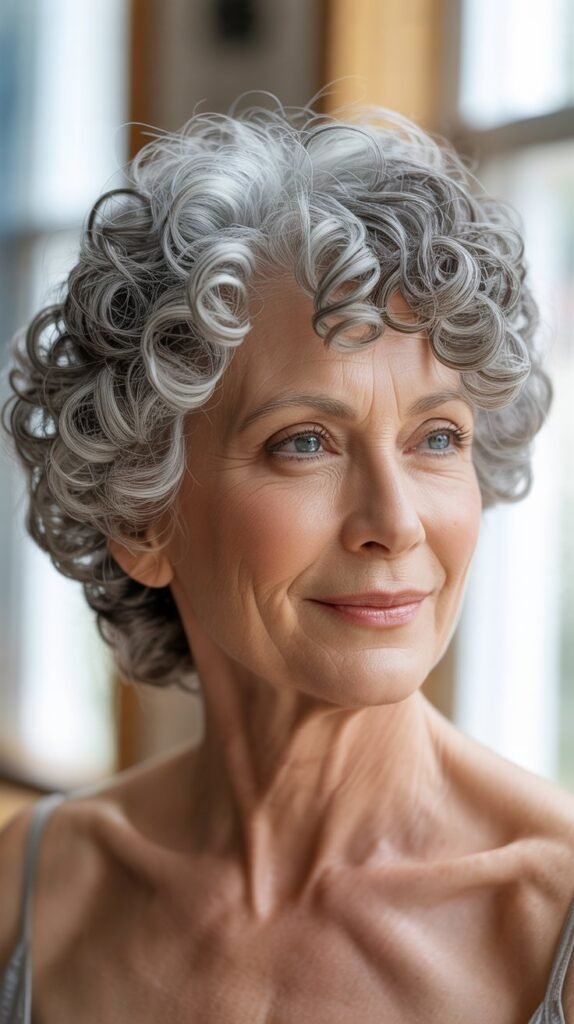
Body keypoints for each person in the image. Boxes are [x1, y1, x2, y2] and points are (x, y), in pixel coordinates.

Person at [0, 94, 572, 1024]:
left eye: (437, 437)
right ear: (142, 514)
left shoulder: (551, 925)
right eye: (304, 442)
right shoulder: (33, 890)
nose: (395, 524)